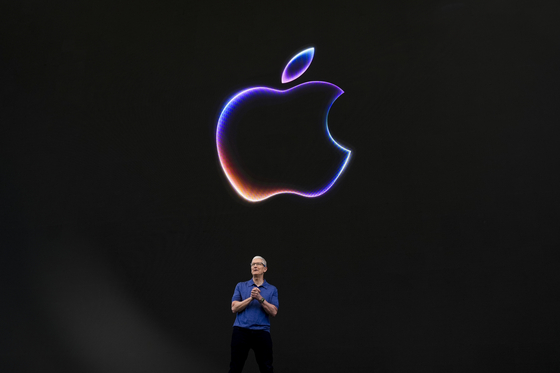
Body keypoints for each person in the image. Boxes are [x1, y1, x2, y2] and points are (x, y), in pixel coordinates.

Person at [229, 256, 279, 373]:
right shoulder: (241, 286)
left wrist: (260, 298)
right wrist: (251, 298)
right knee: (235, 367)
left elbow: (274, 312)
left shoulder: (272, 289)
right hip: (241, 331)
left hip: (262, 332)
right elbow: (234, 308)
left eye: (258, 264)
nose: (255, 266)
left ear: (265, 269)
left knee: (266, 368)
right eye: (252, 264)